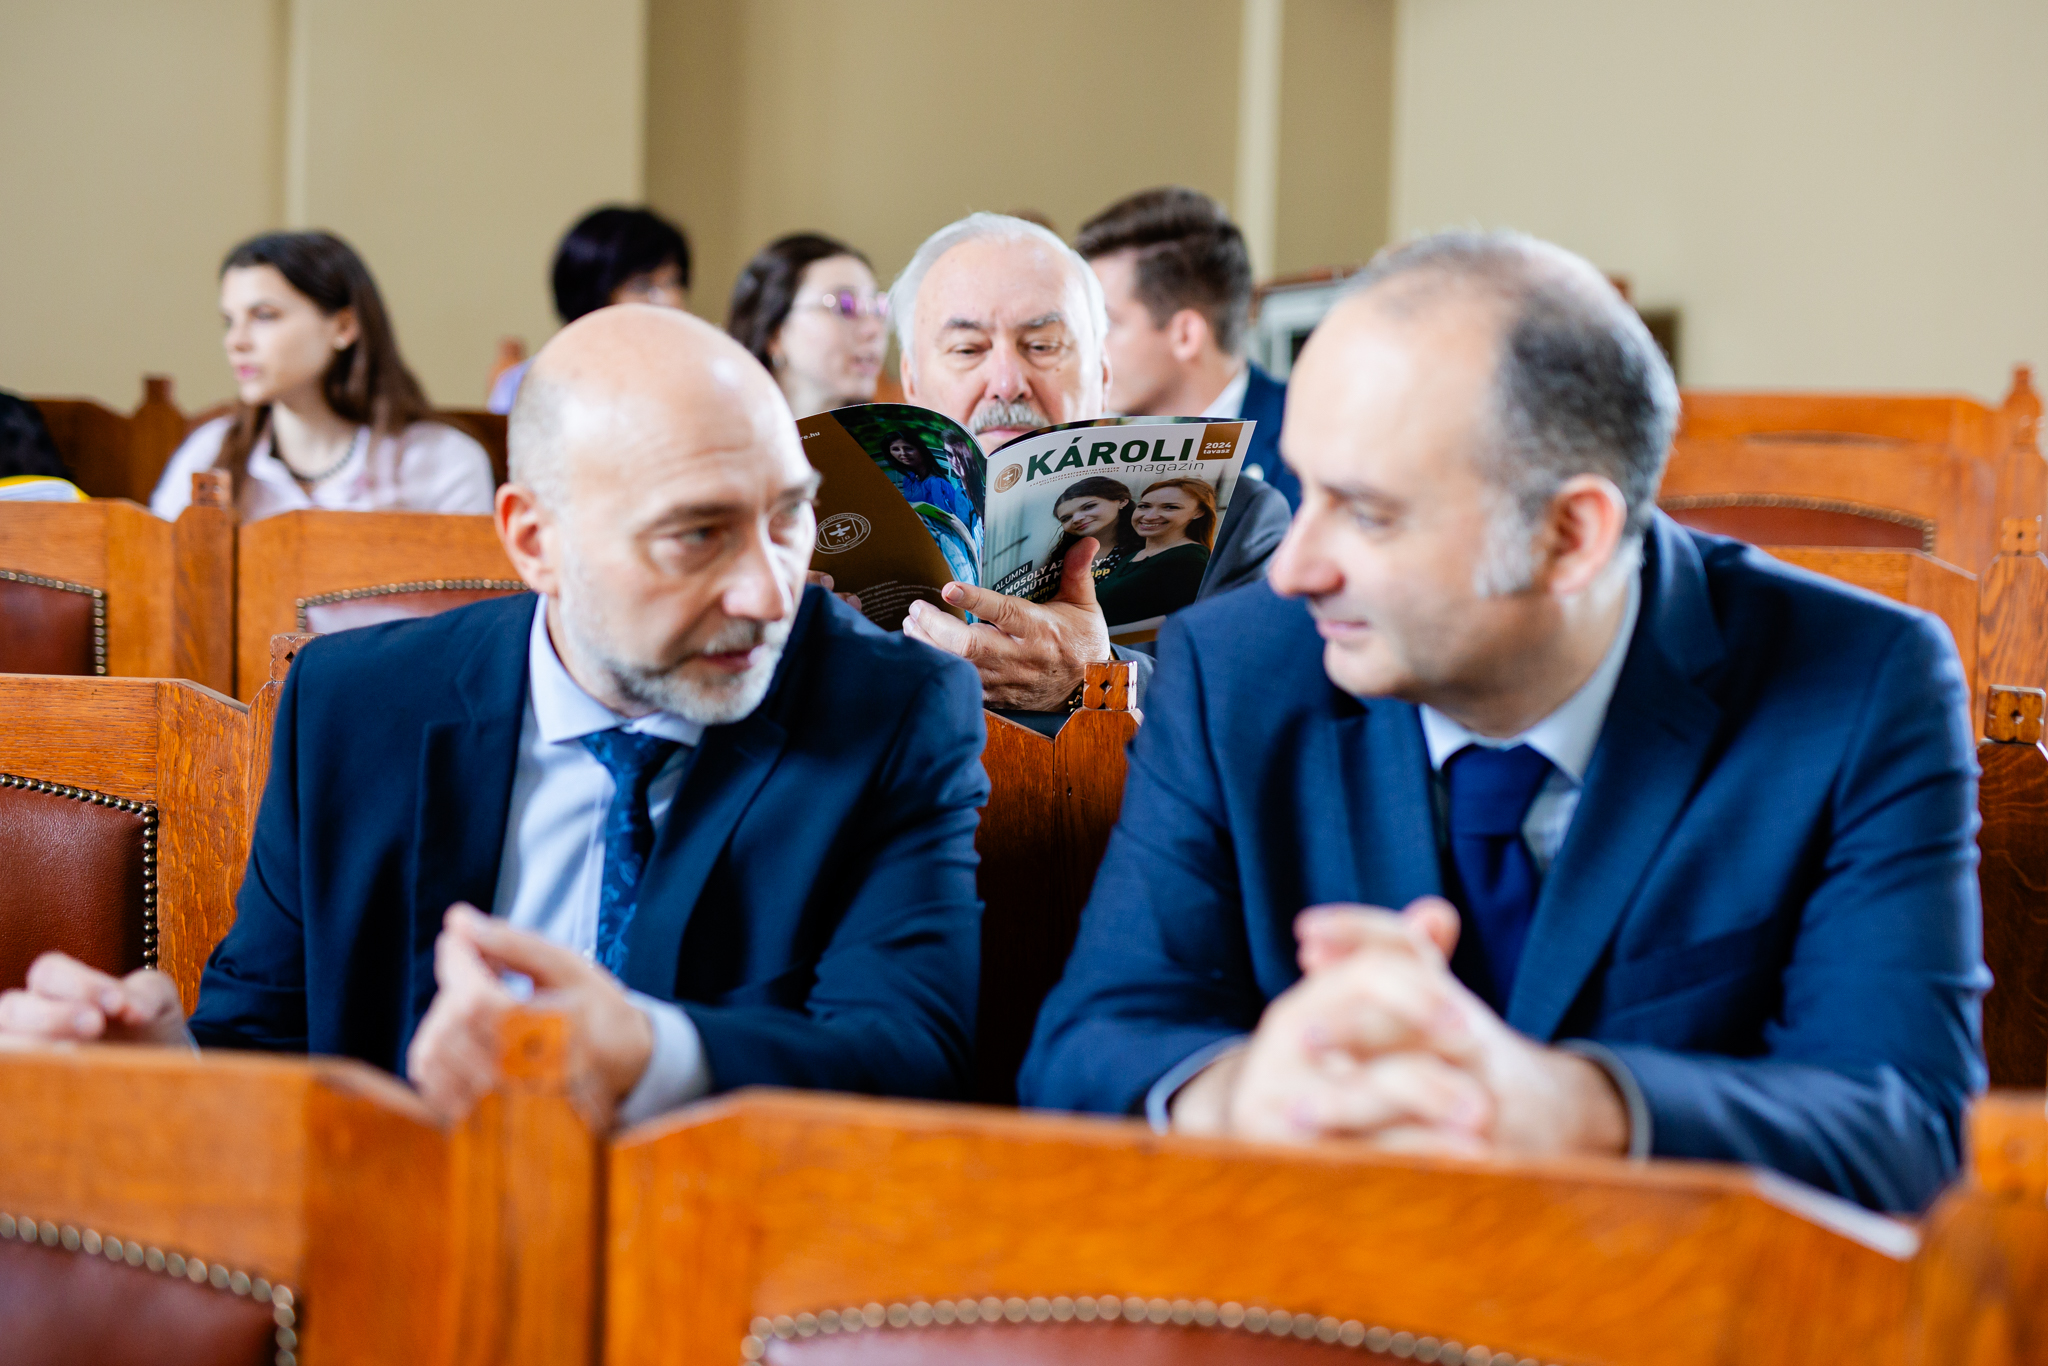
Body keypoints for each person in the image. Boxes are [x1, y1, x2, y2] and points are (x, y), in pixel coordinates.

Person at [1019, 230, 1985, 1215]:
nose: (1295, 569)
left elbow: (1907, 1128)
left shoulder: (1864, 685)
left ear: (1570, 536)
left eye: (1368, 513)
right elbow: (1086, 1049)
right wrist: (1241, 1093)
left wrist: (1571, 1106)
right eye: (1307, 491)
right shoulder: (1234, 665)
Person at [1, 305, 989, 1127]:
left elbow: (908, 1056)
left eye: (786, 516)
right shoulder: (354, 708)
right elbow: (267, 1047)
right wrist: (163, 1071)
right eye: (697, 535)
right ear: (534, 540)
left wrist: (648, 1054)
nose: (771, 593)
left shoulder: (891, 708)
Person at [889, 212, 1290, 712]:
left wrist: (1097, 676)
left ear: (1102, 375)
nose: (1007, 383)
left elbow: (1258, 707)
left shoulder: (1233, 517)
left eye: (1042, 346)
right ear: (912, 382)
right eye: (968, 349)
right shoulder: (857, 526)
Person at [150, 232, 494, 522]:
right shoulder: (208, 454)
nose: (235, 341)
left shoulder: (442, 462)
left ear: (343, 326)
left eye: (264, 315)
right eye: (229, 321)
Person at [1078, 187, 1295, 508]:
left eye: (1106, 325)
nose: (1086, 350)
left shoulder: (1313, 440)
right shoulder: (1085, 445)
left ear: (1185, 336)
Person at [488, 206, 693, 414]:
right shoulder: (534, 383)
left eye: (673, 282)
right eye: (641, 285)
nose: (669, 300)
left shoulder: (695, 375)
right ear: (591, 296)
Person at [727, 233, 886, 418]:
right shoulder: (717, 430)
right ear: (774, 334)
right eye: (844, 306)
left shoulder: (896, 432)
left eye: (878, 308)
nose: (874, 329)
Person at [1095, 478, 1215, 626]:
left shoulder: (1190, 558)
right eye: (1144, 506)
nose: (1149, 516)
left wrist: (1107, 634)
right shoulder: (1130, 556)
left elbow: (1181, 620)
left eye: (1170, 507)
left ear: (1198, 512)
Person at [1041, 476, 1141, 579]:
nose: (1076, 519)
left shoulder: (1145, 545)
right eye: (1066, 518)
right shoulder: (1062, 555)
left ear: (1122, 501)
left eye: (1088, 507)